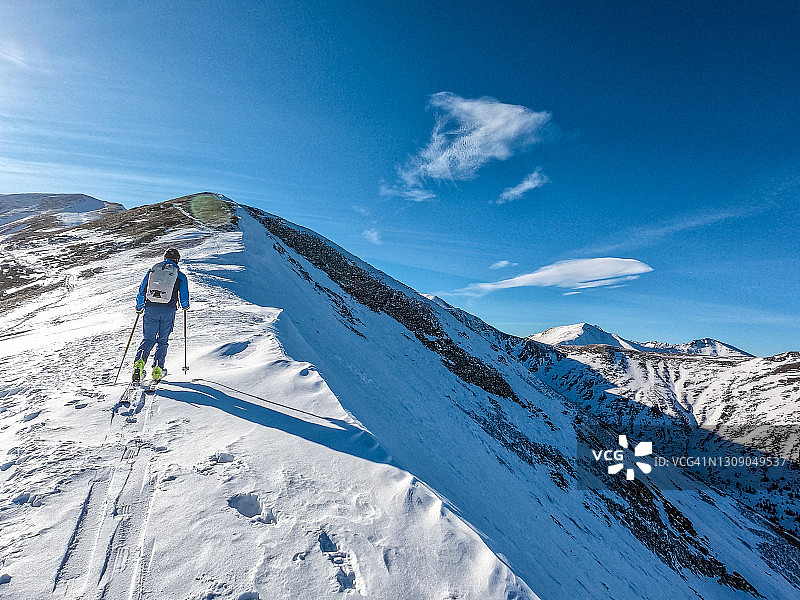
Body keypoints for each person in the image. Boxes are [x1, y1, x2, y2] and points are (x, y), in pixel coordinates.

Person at [132, 248, 189, 382]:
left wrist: (139, 306)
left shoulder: (152, 271)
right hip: (168, 310)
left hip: (151, 308)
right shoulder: (180, 276)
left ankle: (138, 365)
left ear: (165, 258)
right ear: (177, 260)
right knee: (162, 341)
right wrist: (185, 306)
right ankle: (158, 368)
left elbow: (142, 290)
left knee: (148, 339)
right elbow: (184, 296)